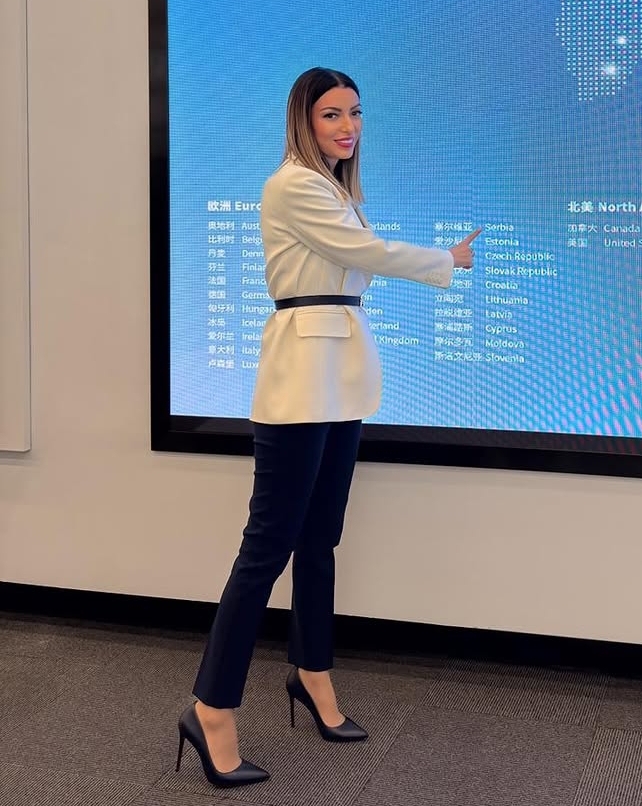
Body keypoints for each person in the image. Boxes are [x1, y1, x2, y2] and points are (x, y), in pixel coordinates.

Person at [175, 66, 481, 788]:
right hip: (300, 381)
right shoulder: (295, 185)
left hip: (342, 376)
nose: (348, 127)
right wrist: (447, 260)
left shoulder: (338, 190)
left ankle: (312, 675)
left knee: (320, 540)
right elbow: (366, 256)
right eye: (332, 115)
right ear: (303, 122)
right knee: (266, 550)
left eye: (355, 113)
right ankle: (210, 707)